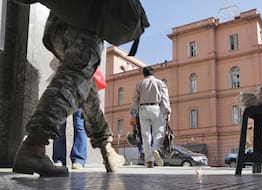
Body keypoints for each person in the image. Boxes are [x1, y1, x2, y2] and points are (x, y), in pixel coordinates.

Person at [12, 9, 126, 177]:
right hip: (82, 20)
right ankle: (33, 146)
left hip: (59, 24)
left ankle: (106, 148)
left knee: (86, 86)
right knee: (74, 79)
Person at [130, 66, 171, 168]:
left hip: (143, 109)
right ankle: (156, 149)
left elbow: (135, 100)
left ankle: (148, 160)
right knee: (159, 132)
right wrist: (167, 112)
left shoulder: (139, 84)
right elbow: (165, 98)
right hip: (156, 108)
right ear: (153, 73)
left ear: (143, 74)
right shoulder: (160, 83)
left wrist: (133, 114)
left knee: (146, 135)